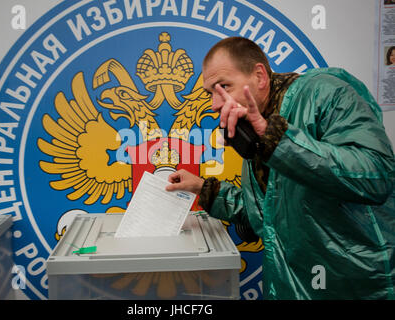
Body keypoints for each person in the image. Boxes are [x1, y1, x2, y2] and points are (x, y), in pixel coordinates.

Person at [165, 37, 395, 299]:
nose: (215, 104)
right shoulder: (255, 125)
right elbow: (270, 211)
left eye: (224, 86)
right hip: (291, 285)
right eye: (210, 93)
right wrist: (202, 187)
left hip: (351, 286)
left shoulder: (325, 94)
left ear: (260, 76)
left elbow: (376, 176)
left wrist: (278, 141)